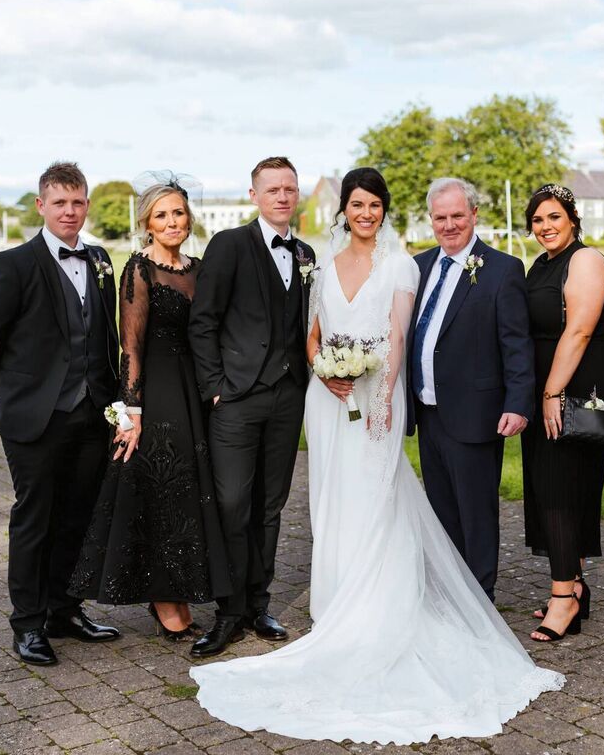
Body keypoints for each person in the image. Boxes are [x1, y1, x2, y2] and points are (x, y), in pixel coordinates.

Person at [190, 167, 564, 745]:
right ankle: (334, 599)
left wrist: (385, 399)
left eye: (375, 204)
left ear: (385, 210)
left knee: (376, 497)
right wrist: (323, 369)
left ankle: (381, 610)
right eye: (357, 204)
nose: (366, 213)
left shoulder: (400, 265)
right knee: (329, 498)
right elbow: (311, 332)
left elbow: (396, 339)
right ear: (344, 209)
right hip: (327, 399)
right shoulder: (321, 261)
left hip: (376, 401)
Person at [0, 161, 121, 666]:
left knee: (77, 516)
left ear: (87, 204)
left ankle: (65, 609)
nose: (70, 211)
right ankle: (28, 625)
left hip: (90, 413)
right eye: (60, 202)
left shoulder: (100, 260)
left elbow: (105, 338)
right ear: (41, 206)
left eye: (77, 202)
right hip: (34, 418)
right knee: (34, 518)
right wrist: (11, 392)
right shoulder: (11, 264)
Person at [68, 172, 231, 640]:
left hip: (195, 391)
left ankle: (179, 589)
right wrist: (131, 412)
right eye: (162, 215)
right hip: (157, 394)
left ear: (189, 218)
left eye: (178, 212)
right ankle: (163, 598)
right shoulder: (138, 269)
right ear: (148, 223)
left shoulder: (199, 268)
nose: (172, 221)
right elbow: (131, 346)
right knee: (162, 489)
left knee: (190, 493)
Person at [187, 156, 315, 657]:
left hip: (288, 398)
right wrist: (216, 386)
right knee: (232, 505)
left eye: (289, 188)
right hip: (236, 399)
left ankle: (259, 605)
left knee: (270, 506)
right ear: (254, 195)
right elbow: (203, 321)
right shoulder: (229, 245)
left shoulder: (305, 253)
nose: (282, 196)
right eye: (273, 189)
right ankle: (228, 612)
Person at [405, 177, 533, 601]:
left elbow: (516, 343)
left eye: (458, 215)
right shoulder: (418, 266)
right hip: (427, 410)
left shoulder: (502, 269)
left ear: (475, 214)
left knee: (476, 512)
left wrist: (518, 403)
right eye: (440, 217)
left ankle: (480, 598)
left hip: (476, 411)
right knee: (442, 510)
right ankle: (451, 594)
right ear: (431, 220)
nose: (449, 225)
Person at [520, 184, 604, 642]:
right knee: (551, 490)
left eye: (553, 217)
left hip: (574, 391)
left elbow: (578, 330)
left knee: (560, 494)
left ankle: (562, 601)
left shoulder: (586, 260)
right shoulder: (539, 266)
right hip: (546, 390)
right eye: (538, 220)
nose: (545, 227)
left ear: (573, 219)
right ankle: (574, 588)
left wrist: (551, 392)